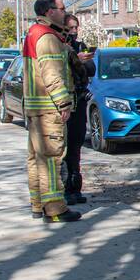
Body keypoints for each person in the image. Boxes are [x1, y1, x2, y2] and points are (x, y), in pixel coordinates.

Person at [23, 0, 81, 223]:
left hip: (35, 107)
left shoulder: (34, 33)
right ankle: (55, 208)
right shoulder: (46, 37)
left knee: (36, 158)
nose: (65, 13)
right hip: (49, 108)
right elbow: (51, 73)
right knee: (52, 157)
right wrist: (63, 102)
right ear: (49, 11)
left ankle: (38, 205)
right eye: (62, 8)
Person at [62, 13, 95, 206]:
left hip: (80, 99)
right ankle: (65, 187)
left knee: (77, 144)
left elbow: (92, 69)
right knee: (65, 148)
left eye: (77, 27)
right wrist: (75, 60)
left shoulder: (79, 47)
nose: (74, 31)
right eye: (71, 28)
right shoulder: (61, 48)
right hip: (67, 102)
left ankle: (76, 186)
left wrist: (83, 60)